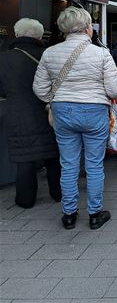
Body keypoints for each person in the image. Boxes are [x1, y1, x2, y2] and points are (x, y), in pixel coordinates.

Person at [33, 7, 117, 230]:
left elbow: (39, 88)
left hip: (63, 112)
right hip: (94, 111)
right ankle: (94, 213)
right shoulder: (101, 54)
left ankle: (69, 214)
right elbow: (114, 90)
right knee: (94, 165)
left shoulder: (49, 53)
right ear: (87, 28)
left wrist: (54, 98)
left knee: (68, 165)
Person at [0, 18, 61, 209]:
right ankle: (58, 193)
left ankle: (25, 200)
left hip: (18, 114)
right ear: (40, 35)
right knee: (53, 155)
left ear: (17, 35)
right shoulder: (48, 55)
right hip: (48, 112)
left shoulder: (4, 58)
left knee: (24, 157)